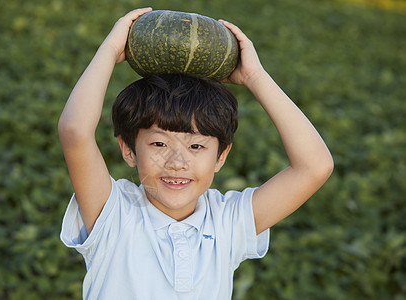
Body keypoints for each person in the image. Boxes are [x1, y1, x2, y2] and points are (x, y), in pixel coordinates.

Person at [58, 7, 334, 300]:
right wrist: (110, 50)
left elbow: (315, 166)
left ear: (221, 156)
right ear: (129, 150)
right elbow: (75, 133)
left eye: (196, 146)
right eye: (159, 144)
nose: (177, 163)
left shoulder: (228, 223)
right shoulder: (113, 214)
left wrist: (256, 76)